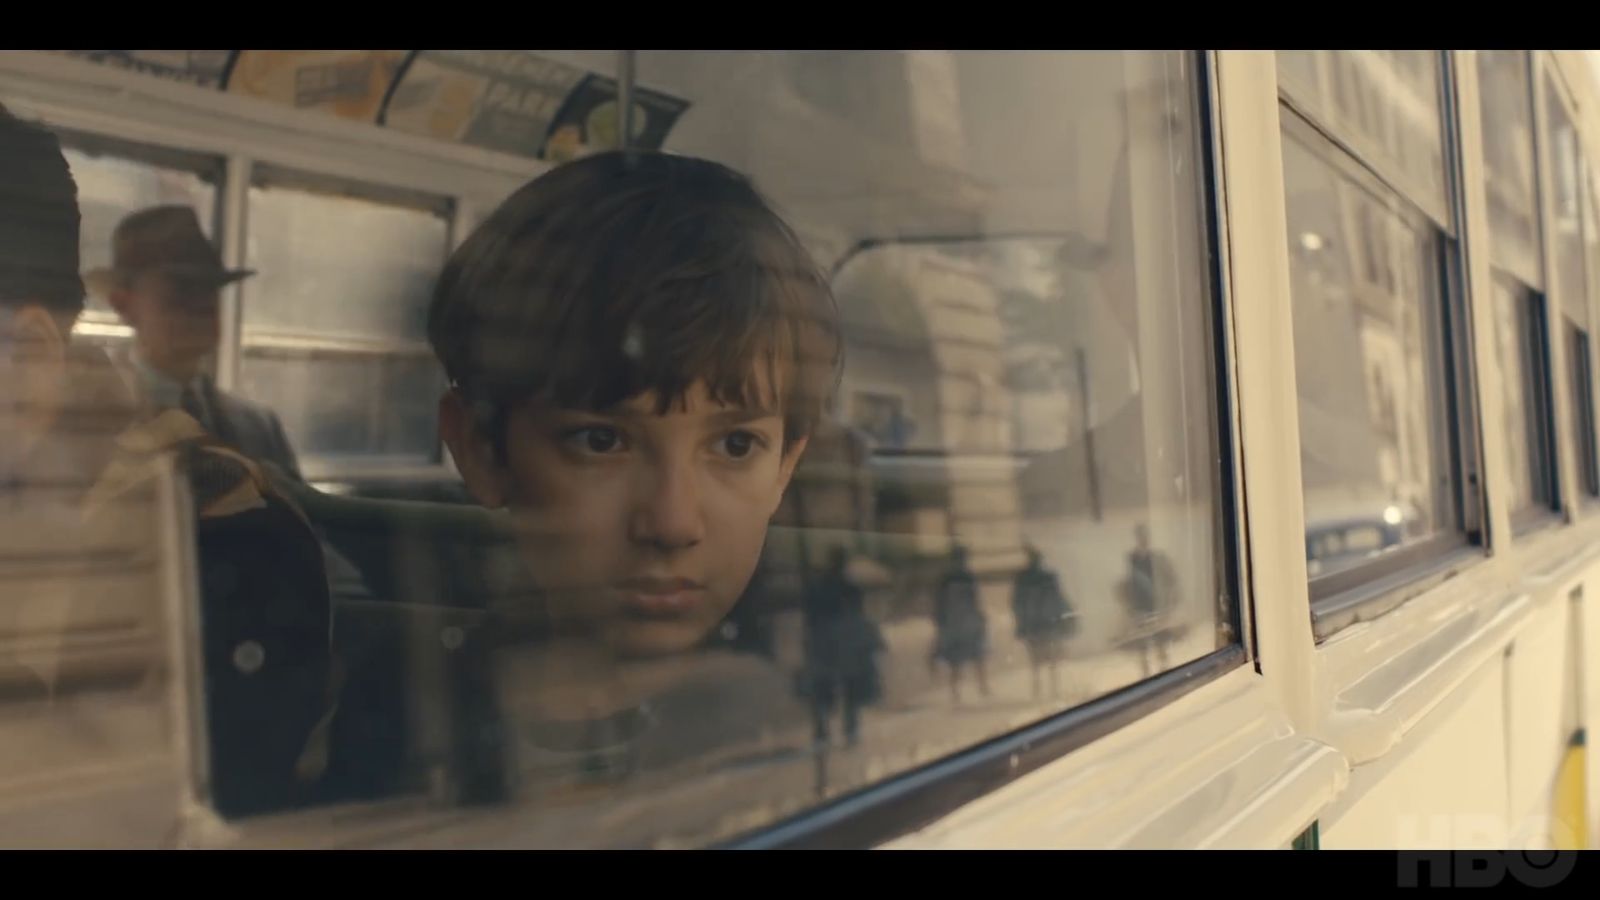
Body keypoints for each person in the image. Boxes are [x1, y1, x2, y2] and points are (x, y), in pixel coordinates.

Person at [428, 149, 842, 790]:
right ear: (481, 449)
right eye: (600, 440)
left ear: (787, 463)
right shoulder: (401, 723)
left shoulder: (800, 718)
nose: (673, 522)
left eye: (735, 446)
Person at [87, 205, 300, 478]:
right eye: (180, 288)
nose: (202, 304)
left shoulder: (259, 428)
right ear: (124, 306)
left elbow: (300, 519)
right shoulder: (94, 424)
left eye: (210, 288)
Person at [1011, 544, 1076, 699]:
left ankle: (1044, 687)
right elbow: (1018, 602)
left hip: (1041, 622)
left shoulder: (1030, 578)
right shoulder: (1034, 578)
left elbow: (1018, 602)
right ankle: (1045, 687)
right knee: (1043, 656)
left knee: (1041, 657)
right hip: (1043, 622)